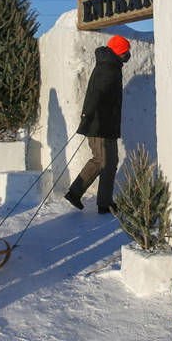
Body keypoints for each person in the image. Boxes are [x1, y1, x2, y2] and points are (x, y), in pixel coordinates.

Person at [65, 34, 131, 214]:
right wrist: (89, 117)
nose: (127, 55)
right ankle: (103, 203)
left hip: (105, 124)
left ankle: (76, 193)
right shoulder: (108, 68)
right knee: (105, 163)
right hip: (100, 125)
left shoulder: (110, 65)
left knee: (104, 161)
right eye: (125, 52)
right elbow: (96, 95)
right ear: (118, 52)